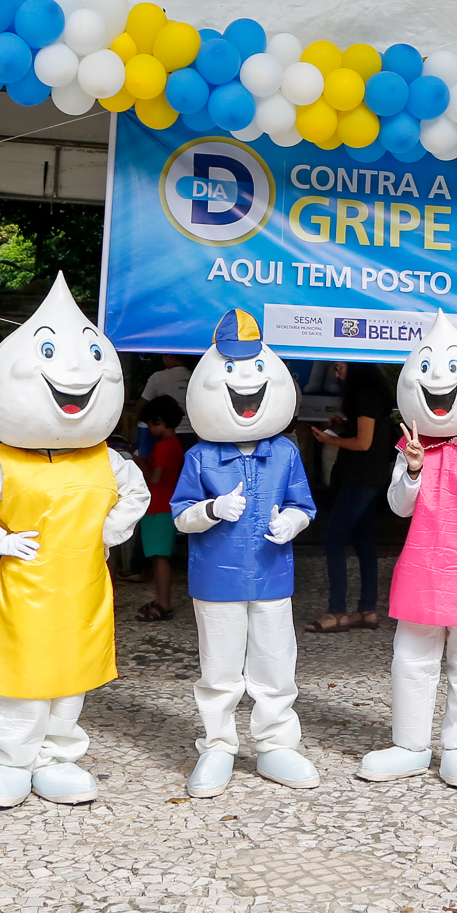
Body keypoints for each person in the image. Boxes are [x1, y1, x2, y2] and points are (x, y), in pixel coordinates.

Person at [0, 277, 150, 809]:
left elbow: (134, 495)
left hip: (83, 587)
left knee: (73, 677)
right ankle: (12, 760)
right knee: (22, 680)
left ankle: (58, 757)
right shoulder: (5, 460)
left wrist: (109, 532)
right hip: (25, 589)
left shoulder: (106, 460)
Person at [361, 314, 457, 789]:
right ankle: (409, 745)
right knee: (411, 657)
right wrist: (412, 469)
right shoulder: (412, 446)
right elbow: (399, 507)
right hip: (423, 568)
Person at [172, 310, 319, 798]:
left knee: (275, 662)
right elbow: (179, 517)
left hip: (273, 576)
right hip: (216, 580)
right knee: (219, 666)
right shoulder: (200, 456)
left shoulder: (286, 452)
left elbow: (304, 504)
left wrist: (292, 522)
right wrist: (212, 508)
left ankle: (276, 743)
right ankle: (217, 745)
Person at [306, 360, 395, 633]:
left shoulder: (364, 396)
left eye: (340, 367)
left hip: (360, 477)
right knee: (363, 541)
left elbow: (364, 442)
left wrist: (329, 440)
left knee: (334, 538)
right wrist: (344, 424)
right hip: (372, 476)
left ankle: (337, 612)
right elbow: (369, 432)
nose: (337, 373)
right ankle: (367, 610)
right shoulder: (374, 394)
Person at [135, 396, 185, 621]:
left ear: (158, 421)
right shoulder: (175, 445)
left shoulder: (164, 447)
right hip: (167, 505)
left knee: (159, 558)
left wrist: (140, 463)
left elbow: (154, 477)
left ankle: (164, 603)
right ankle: (161, 599)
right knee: (160, 557)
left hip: (158, 506)